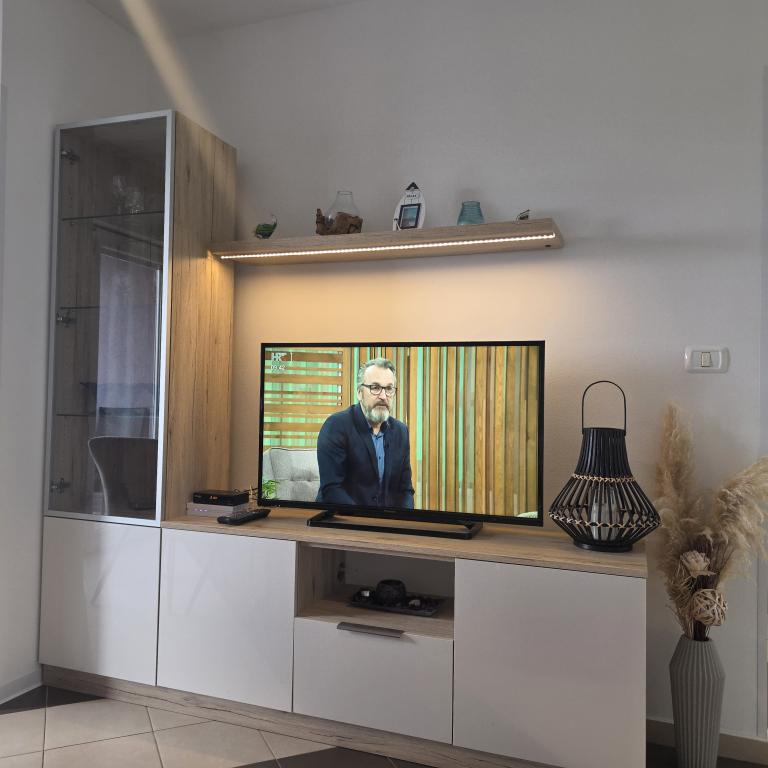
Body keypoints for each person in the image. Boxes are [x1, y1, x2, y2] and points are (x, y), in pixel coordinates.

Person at [316, 357, 414, 509]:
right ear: (360, 393)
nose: (383, 396)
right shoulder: (335, 426)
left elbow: (405, 491)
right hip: (342, 518)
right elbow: (332, 489)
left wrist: (404, 519)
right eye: (375, 387)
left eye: (389, 389)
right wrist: (366, 519)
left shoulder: (401, 432)